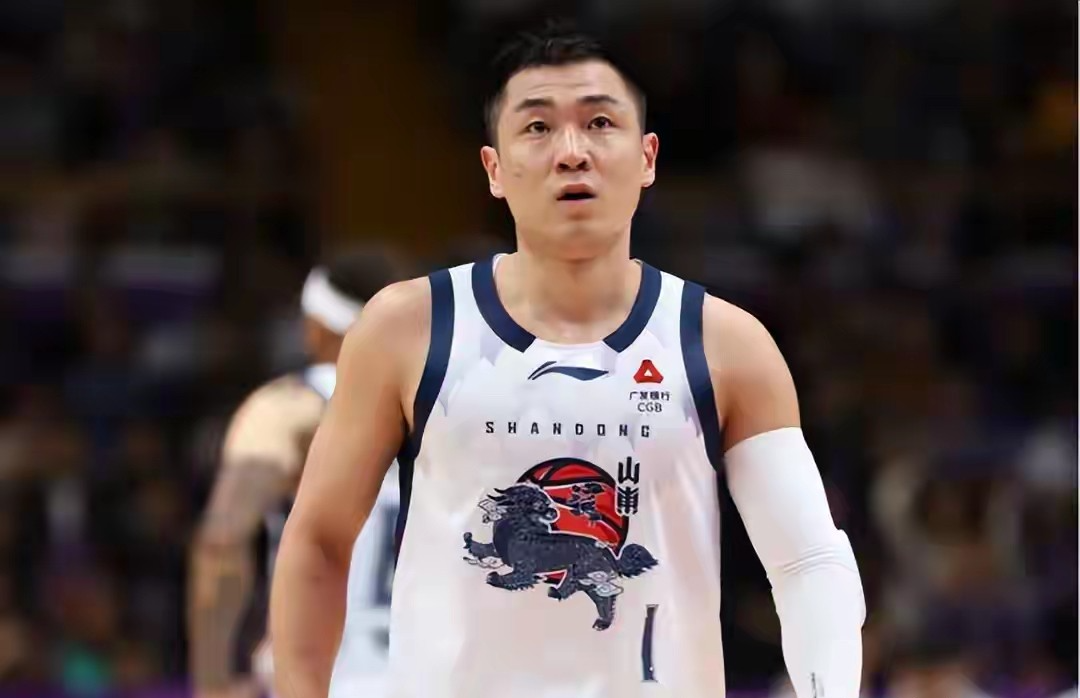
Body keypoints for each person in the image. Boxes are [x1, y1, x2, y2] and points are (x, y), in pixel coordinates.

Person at [270, 21, 866, 698]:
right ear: (494, 170)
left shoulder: (726, 343)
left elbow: (808, 562)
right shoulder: (406, 328)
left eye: (600, 123)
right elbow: (318, 541)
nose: (572, 152)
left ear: (647, 158)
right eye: (537, 127)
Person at [188, 249, 408, 698]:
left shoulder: (292, 407)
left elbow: (223, 537)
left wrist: (212, 683)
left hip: (327, 680)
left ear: (315, 327)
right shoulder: (447, 404)